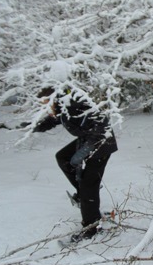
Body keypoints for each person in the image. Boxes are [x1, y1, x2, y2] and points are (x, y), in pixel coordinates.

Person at [33, 87, 118, 242]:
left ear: (54, 99)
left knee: (88, 185)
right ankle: (84, 195)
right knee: (63, 157)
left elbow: (100, 124)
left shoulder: (73, 106)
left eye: (46, 104)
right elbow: (55, 119)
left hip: (101, 143)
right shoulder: (62, 108)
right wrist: (33, 126)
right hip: (88, 140)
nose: (44, 109)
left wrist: (84, 151)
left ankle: (91, 228)